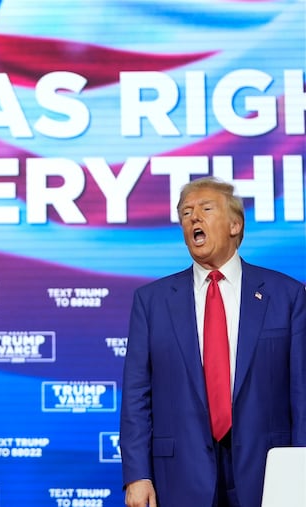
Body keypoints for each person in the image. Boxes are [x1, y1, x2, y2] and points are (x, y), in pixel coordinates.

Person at [119, 176, 306, 507]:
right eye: (186, 212)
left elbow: (302, 394)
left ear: (235, 225)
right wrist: (137, 475)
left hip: (267, 471)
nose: (194, 218)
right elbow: (136, 395)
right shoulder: (152, 301)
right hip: (179, 474)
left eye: (206, 208)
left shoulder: (287, 296)